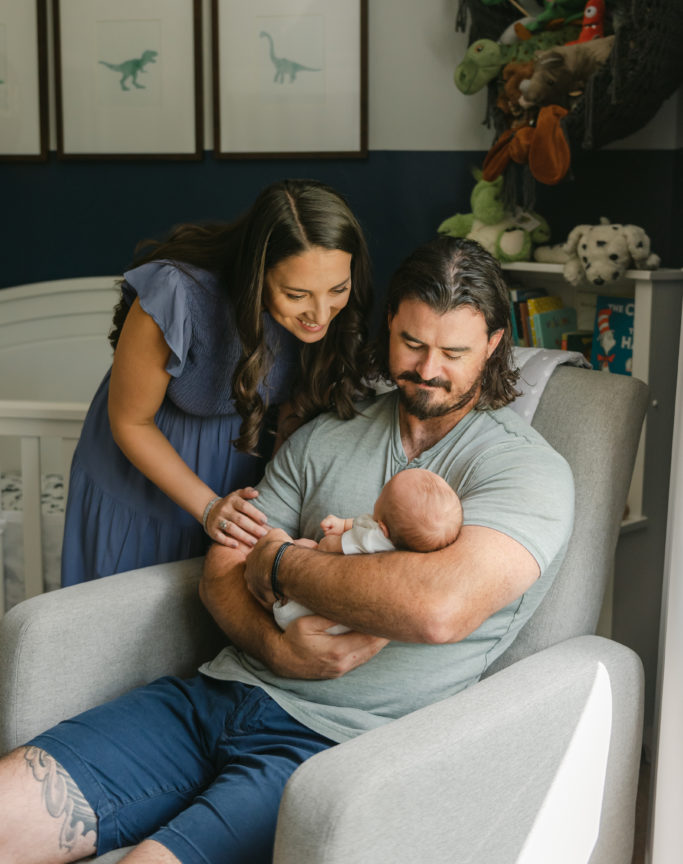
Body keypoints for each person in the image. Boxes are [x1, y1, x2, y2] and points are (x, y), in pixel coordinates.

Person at [0, 236, 574, 864]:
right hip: (210, 697)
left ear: (493, 344)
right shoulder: (331, 431)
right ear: (388, 324)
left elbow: (435, 609)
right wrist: (276, 645)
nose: (428, 368)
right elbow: (222, 567)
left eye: (454, 352)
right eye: (412, 343)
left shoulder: (524, 472)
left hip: (328, 748)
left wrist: (277, 563)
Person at [60, 178, 374, 585]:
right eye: (297, 295)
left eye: (338, 289)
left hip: (235, 486)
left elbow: (293, 410)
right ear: (256, 273)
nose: (320, 313)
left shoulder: (327, 316)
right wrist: (208, 507)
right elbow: (129, 422)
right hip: (141, 484)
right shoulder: (176, 293)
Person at [273, 467, 464, 632]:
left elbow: (330, 547)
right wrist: (342, 524)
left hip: (304, 612)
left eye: (382, 495)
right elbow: (361, 522)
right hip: (349, 620)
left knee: (303, 545)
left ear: (383, 529)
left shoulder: (372, 539)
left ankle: (277, 601)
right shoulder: (403, 545)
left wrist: (323, 542)